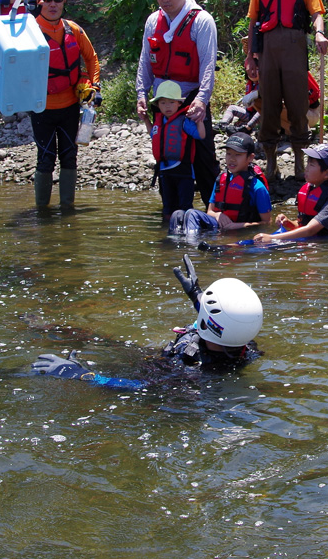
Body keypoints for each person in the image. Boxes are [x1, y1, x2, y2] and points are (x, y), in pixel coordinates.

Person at [32, 255, 263, 386]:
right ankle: (44, 328)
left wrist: (81, 375)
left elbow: (138, 386)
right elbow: (222, 322)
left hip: (148, 370)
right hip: (160, 357)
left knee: (97, 342)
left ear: (208, 323)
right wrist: (196, 294)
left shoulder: (189, 372)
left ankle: (37, 330)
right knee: (95, 340)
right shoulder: (244, 345)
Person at [245, 0, 328, 180]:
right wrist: (251, 57)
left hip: (294, 48)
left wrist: (320, 34)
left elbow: (316, 13)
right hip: (268, 50)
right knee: (269, 105)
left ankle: (300, 164)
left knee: (297, 106)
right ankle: (271, 164)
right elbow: (253, 23)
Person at [136, 0, 220, 205]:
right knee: (166, 151)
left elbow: (207, 65)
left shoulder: (201, 21)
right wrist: (141, 94)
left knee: (202, 155)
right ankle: (170, 211)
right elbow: (145, 61)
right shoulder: (154, 21)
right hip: (161, 97)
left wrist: (202, 100)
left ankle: (214, 209)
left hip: (191, 95)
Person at [31, 0, 100, 209]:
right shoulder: (27, 30)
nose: (52, 4)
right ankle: (42, 212)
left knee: (69, 157)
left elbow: (91, 59)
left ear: (64, 2)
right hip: (42, 108)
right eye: (47, 0)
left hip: (70, 106)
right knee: (46, 159)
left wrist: (95, 86)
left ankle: (67, 211)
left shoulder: (73, 30)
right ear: (38, 2)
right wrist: (25, 16)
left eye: (57, 0)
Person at [252, 145, 328, 243]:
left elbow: (310, 230)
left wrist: (271, 238)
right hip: (313, 240)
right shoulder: (311, 189)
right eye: (307, 163)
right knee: (252, 244)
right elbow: (303, 225)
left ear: (327, 173)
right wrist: (288, 223)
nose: (306, 168)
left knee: (263, 245)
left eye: (311, 165)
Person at [169, 132, 271, 237]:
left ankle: (191, 249)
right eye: (229, 153)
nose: (232, 159)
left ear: (250, 157)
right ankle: (174, 247)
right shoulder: (221, 180)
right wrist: (218, 215)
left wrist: (238, 226)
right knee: (177, 215)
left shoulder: (258, 188)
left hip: (240, 230)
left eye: (238, 155)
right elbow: (210, 211)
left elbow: (267, 223)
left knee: (192, 214)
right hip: (218, 228)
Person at [151, 80, 207, 224]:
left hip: (184, 172)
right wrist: (145, 119)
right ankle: (167, 233)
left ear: (179, 103)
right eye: (163, 103)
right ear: (158, 105)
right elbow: (153, 134)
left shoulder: (184, 121)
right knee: (167, 207)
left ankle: (186, 233)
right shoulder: (160, 122)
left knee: (185, 207)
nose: (167, 106)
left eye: (171, 102)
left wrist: (200, 121)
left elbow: (201, 135)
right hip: (164, 171)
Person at [219, 65, 261, 133]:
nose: (253, 72)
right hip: (248, 113)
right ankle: (223, 125)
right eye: (251, 69)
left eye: (257, 69)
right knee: (232, 108)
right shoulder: (249, 84)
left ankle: (247, 128)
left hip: (259, 116)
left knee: (262, 111)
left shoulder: (265, 84)